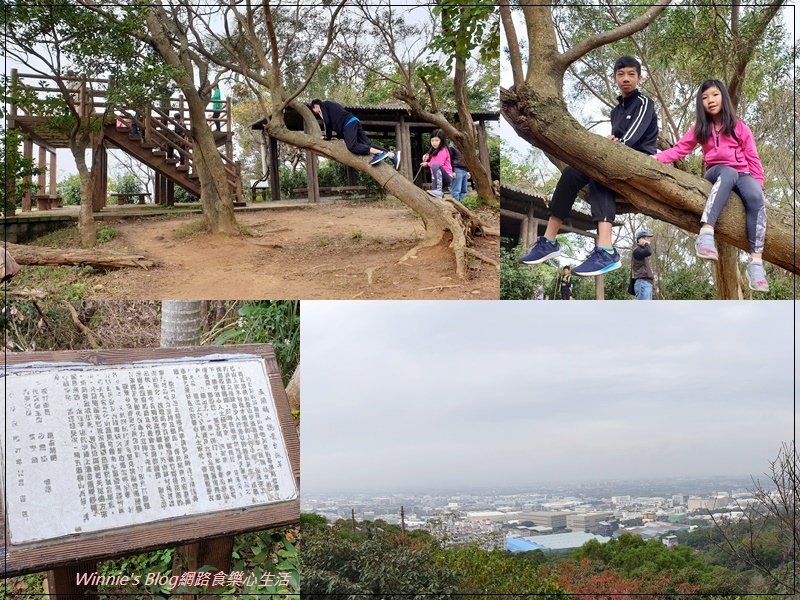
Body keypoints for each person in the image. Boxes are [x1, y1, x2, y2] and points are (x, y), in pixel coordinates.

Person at [520, 56, 658, 277]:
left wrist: (614, 145)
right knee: (571, 173)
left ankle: (606, 250)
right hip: (615, 157)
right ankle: (549, 241)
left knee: (599, 172)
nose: (626, 79)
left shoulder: (644, 103)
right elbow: (619, 139)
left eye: (631, 74)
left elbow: (633, 138)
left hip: (640, 160)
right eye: (621, 74)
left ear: (639, 78)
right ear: (614, 78)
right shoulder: (616, 111)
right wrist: (611, 142)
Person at [652, 79, 768, 292]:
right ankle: (706, 234)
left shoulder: (739, 126)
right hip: (717, 171)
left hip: (742, 174)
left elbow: (753, 158)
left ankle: (756, 264)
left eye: (714, 95)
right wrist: (656, 158)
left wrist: (759, 186)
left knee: (755, 198)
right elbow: (679, 150)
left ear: (723, 97)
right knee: (729, 172)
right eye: (705, 98)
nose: (710, 100)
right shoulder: (700, 127)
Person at [311, 99, 400, 169]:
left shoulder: (323, 106)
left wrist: (327, 137)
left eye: (315, 111)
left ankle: (379, 153)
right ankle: (392, 155)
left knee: (352, 146)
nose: (317, 114)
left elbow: (327, 122)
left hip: (348, 124)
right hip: (354, 121)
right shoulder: (331, 107)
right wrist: (338, 137)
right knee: (367, 145)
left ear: (316, 106)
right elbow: (337, 121)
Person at [421, 131, 454, 198]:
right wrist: (426, 156)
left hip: (446, 176)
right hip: (435, 177)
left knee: (435, 165)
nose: (434, 142)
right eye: (432, 140)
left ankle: (439, 190)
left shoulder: (443, 150)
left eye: (437, 140)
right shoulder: (433, 151)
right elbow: (431, 158)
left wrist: (427, 164)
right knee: (434, 196)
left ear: (442, 141)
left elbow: (439, 163)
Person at [631, 230, 655, 300]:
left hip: (646, 283)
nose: (649, 240)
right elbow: (649, 251)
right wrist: (646, 244)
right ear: (641, 239)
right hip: (643, 283)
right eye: (647, 238)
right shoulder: (637, 250)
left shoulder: (641, 251)